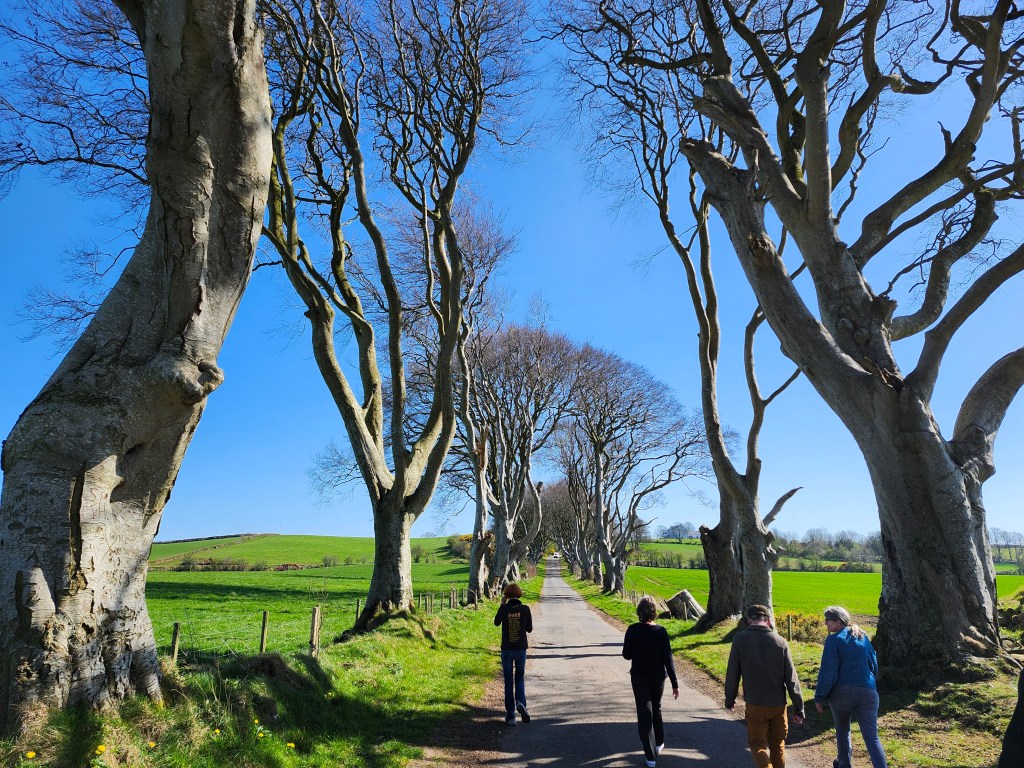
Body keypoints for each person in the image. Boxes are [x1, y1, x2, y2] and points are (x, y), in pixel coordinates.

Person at [725, 604, 805, 768]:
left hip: (755, 704)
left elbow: (733, 673)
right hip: (778, 704)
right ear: (768, 621)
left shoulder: (740, 639)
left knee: (757, 743)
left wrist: (730, 698)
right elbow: (792, 678)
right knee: (778, 744)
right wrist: (799, 708)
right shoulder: (780, 642)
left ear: (749, 620)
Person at [814, 605, 888, 768]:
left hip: (842, 694)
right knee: (872, 737)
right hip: (868, 692)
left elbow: (828, 672)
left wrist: (820, 696)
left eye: (827, 620)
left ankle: (844, 765)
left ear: (838, 621)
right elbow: (873, 664)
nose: (825, 623)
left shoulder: (833, 640)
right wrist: (869, 685)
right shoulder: (862, 635)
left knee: (842, 731)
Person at [622, 596, 679, 768]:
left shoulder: (632, 630)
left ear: (639, 612)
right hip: (658, 677)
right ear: (654, 612)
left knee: (644, 713)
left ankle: (650, 757)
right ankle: (659, 743)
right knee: (657, 707)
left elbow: (626, 655)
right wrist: (675, 684)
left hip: (639, 677)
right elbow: (668, 659)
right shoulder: (661, 632)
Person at [494, 582, 533, 726]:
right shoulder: (525, 609)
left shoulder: (504, 609)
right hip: (521, 649)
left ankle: (511, 716)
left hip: (507, 649)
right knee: (520, 679)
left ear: (507, 595)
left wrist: (502, 605)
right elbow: (529, 629)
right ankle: (521, 703)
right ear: (519, 594)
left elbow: (496, 623)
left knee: (508, 682)